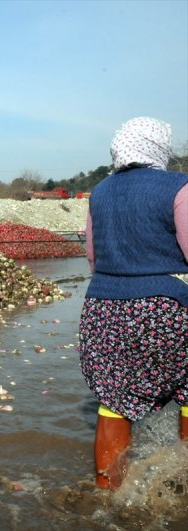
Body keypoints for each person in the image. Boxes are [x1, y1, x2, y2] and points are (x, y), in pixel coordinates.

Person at [78, 116, 188, 490]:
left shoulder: (99, 192)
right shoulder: (179, 187)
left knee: (114, 401)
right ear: (162, 148)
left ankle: (108, 495)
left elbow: (93, 257)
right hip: (166, 309)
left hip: (103, 310)